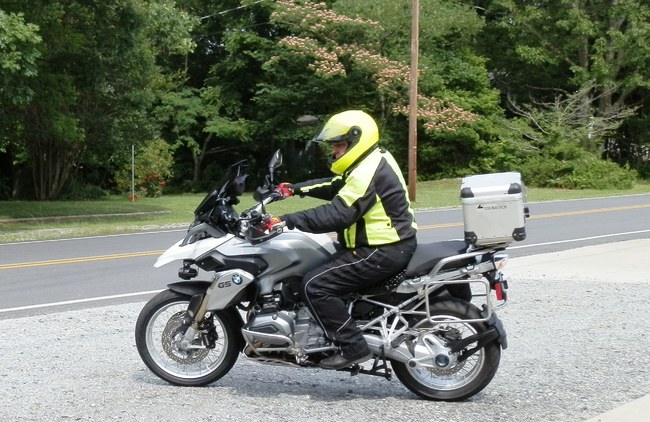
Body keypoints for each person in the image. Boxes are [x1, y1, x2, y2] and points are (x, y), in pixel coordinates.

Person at [266, 110, 417, 370]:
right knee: (305, 274)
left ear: (357, 139)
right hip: (382, 246)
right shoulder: (370, 160)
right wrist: (295, 189)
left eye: (339, 144)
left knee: (315, 285)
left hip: (382, 249)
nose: (334, 150)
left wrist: (286, 220)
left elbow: (338, 214)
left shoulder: (367, 171)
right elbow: (337, 186)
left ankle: (354, 347)